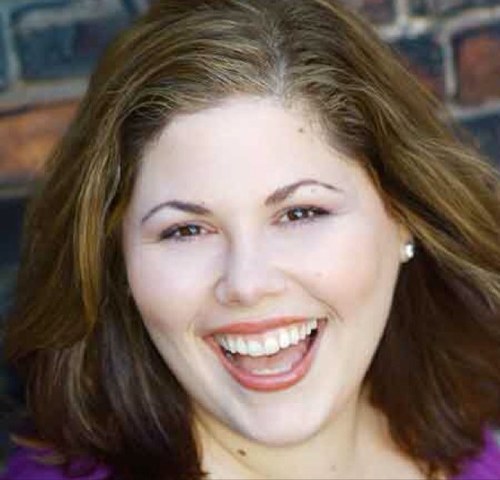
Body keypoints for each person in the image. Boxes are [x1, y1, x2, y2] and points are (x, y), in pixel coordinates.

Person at [2, 0, 500, 479]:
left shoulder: (472, 457)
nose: (247, 283)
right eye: (186, 230)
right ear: (117, 260)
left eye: (300, 213)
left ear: (403, 216)